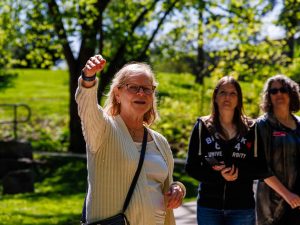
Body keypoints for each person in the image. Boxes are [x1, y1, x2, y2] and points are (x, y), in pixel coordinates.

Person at [75, 54, 185, 225]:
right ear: (117, 93)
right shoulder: (103, 129)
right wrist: (88, 78)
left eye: (147, 88)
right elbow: (87, 107)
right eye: (133, 87)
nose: (141, 93)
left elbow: (164, 183)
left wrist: (177, 189)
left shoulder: (159, 141)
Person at [185, 76, 272, 225]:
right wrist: (218, 176)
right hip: (209, 206)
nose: (227, 97)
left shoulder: (251, 128)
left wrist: (237, 173)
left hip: (242, 207)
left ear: (239, 99)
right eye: (223, 92)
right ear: (215, 97)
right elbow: (191, 167)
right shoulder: (202, 126)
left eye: (233, 93)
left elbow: (262, 168)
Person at [256, 74, 300, 225]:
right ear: (268, 97)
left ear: (291, 93)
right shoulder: (263, 125)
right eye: (273, 91)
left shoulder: (299, 123)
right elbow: (261, 167)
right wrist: (287, 195)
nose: (279, 94)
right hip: (274, 205)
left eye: (283, 89)